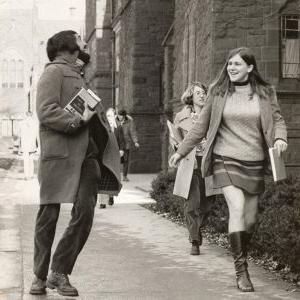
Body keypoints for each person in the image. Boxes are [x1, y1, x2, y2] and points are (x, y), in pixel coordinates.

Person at [169, 47, 288, 292]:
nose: (231, 68)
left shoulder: (265, 93)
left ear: (250, 67)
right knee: (237, 207)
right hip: (225, 158)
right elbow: (200, 127)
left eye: (237, 64)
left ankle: (241, 252)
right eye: (229, 64)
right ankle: (241, 270)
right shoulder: (218, 92)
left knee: (251, 219)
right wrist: (180, 152)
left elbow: (277, 120)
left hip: (254, 161)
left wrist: (280, 138)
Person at [29, 30, 122, 297]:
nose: (84, 41)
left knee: (85, 213)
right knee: (49, 216)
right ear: (67, 46)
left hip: (87, 157)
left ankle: (59, 272)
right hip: (59, 156)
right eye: (79, 38)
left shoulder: (78, 72)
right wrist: (77, 119)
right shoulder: (53, 72)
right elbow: (46, 111)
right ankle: (38, 275)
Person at [172, 82, 212, 255]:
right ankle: (194, 240)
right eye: (198, 93)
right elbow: (175, 140)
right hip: (190, 164)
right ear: (191, 96)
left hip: (209, 163)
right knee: (191, 203)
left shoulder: (212, 115)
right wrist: (178, 150)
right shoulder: (180, 117)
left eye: (204, 92)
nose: (202, 95)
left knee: (208, 204)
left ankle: (197, 228)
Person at [98, 107, 125, 208]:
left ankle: (110, 195)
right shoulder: (102, 127)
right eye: (107, 115)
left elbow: (122, 140)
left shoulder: (118, 128)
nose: (109, 117)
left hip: (115, 155)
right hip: (104, 155)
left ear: (115, 116)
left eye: (111, 115)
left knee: (112, 176)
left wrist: (122, 149)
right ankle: (102, 202)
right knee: (103, 177)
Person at [116, 109, 139, 181]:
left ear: (124, 116)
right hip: (117, 144)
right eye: (118, 115)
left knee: (126, 160)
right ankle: (116, 176)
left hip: (126, 144)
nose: (119, 117)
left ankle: (125, 176)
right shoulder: (114, 121)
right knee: (116, 160)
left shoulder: (129, 122)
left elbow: (133, 132)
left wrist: (135, 141)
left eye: (121, 116)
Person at [20, 111, 38, 180]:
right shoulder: (35, 124)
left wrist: (20, 147)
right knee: (31, 160)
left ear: (26, 115)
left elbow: (20, 136)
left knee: (26, 161)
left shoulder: (21, 123)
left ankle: (26, 176)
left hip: (25, 145)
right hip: (32, 145)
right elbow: (37, 136)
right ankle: (31, 175)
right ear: (32, 115)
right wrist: (38, 146)